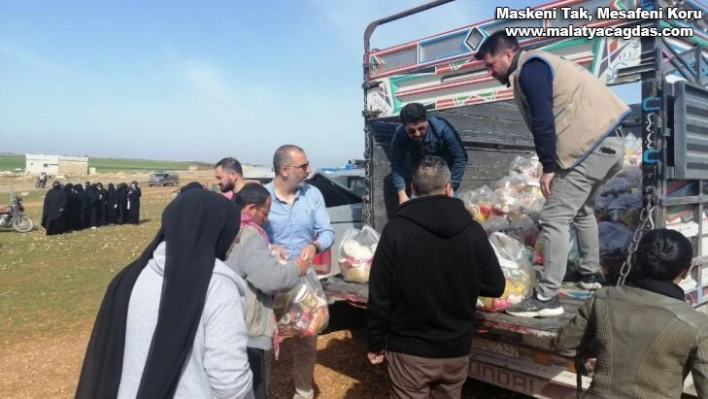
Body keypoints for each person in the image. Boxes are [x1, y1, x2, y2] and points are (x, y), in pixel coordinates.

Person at [474, 31, 630, 317]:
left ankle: (546, 298)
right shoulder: (541, 64)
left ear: (508, 54)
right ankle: (589, 274)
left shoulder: (530, 69)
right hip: (610, 145)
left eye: (490, 63)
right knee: (583, 210)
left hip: (590, 148)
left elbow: (544, 119)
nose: (489, 71)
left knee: (554, 217)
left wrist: (548, 167)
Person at [75, 189, 254, 399]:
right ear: (216, 229)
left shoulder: (129, 277)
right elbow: (230, 384)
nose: (237, 240)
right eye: (234, 231)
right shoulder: (217, 288)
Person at [366, 155, 506, 398]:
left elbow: (379, 296)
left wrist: (375, 342)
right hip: (455, 350)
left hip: (408, 352)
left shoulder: (396, 230)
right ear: (449, 188)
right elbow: (495, 286)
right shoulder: (473, 231)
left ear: (412, 188)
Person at [556, 229, 708, 398]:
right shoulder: (697, 324)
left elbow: (566, 346)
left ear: (635, 259)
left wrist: (604, 344)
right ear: (687, 271)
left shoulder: (602, 298)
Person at [263, 144, 335, 399]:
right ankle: (260, 391)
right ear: (284, 170)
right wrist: (270, 247)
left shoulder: (312, 194)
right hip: (270, 282)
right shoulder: (262, 197)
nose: (308, 170)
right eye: (303, 166)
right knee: (263, 342)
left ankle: (303, 392)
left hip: (305, 282)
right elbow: (247, 236)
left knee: (307, 337)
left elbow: (327, 232)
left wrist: (315, 245)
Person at [227, 182, 309, 399]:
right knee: (255, 388)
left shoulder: (229, 228)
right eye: (265, 212)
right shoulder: (251, 235)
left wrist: (269, 250)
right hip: (249, 330)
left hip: (229, 323)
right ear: (252, 209)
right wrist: (296, 268)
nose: (267, 218)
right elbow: (271, 280)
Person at [390, 102, 468, 205]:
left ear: (426, 121)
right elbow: (396, 164)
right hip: (421, 178)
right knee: (415, 213)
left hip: (445, 178)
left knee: (451, 211)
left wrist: (451, 186)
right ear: (404, 127)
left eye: (421, 128)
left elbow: (460, 157)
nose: (417, 134)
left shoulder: (443, 129)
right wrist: (402, 194)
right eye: (411, 131)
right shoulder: (400, 135)